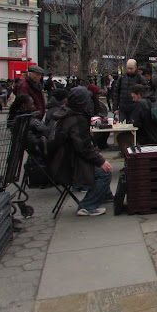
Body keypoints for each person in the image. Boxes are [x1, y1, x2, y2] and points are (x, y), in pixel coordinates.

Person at [48, 86, 113, 216]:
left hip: (64, 158)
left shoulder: (67, 113)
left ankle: (104, 195)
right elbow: (83, 147)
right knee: (105, 172)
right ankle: (88, 206)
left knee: (102, 164)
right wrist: (99, 160)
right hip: (69, 162)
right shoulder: (77, 118)